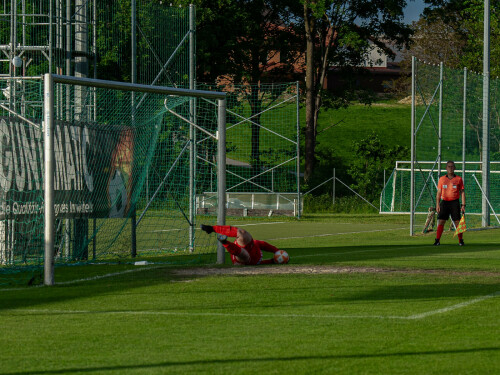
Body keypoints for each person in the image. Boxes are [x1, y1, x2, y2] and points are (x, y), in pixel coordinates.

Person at [200, 224, 286, 265]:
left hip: (250, 260)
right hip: (241, 258)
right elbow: (263, 244)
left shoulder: (256, 246)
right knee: (242, 234)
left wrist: (276, 255)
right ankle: (212, 229)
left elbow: (263, 246)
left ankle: (224, 242)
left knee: (245, 254)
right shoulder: (254, 243)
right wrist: (276, 253)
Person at [434, 161, 466, 246]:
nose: (450, 168)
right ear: (446, 168)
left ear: (454, 168)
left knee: (457, 222)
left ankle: (460, 240)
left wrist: (463, 205)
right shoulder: (442, 179)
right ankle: (437, 240)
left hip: (454, 202)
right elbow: (439, 192)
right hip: (444, 202)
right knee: (441, 221)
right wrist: (437, 204)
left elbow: (462, 192)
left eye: (452, 167)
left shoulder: (459, 179)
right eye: (449, 166)